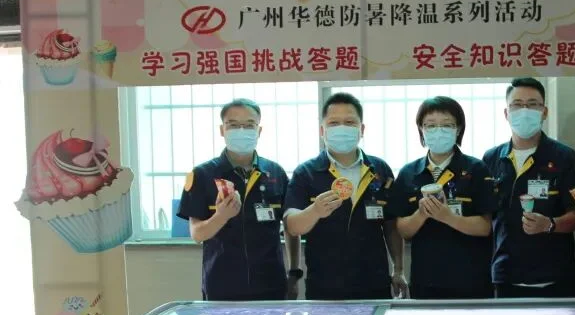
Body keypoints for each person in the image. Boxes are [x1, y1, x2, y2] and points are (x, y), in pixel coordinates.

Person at [283, 92, 406, 300]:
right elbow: (292, 226)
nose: (341, 128)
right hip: (325, 285)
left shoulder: (379, 169)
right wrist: (315, 211)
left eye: (349, 122)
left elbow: (391, 225)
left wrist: (399, 269)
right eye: (334, 123)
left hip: (374, 282)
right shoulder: (307, 173)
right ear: (322, 130)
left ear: (361, 129)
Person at [177, 99, 302, 301]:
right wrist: (221, 216)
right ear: (222, 130)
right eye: (233, 125)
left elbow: (290, 228)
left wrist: (294, 272)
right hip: (221, 286)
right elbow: (197, 234)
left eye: (249, 125)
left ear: (259, 130)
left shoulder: (275, 173)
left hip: (270, 284)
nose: (241, 131)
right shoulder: (203, 175)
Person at [483, 77, 575, 298]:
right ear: (506, 113)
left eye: (532, 104)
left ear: (544, 112)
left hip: (555, 277)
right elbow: (486, 218)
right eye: (517, 105)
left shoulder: (566, 158)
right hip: (505, 277)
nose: (524, 111)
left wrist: (550, 224)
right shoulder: (491, 159)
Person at [393, 96, 495, 299]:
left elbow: (485, 227)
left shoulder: (476, 169)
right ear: (421, 129)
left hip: (471, 279)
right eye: (430, 125)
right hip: (425, 280)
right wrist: (421, 214)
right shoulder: (408, 173)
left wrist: (448, 217)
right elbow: (403, 231)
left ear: (458, 129)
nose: (438, 131)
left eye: (447, 125)